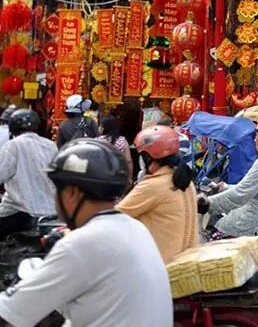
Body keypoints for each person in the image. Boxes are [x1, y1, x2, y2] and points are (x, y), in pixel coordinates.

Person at [0, 138, 171, 326]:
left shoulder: (82, 243)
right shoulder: (136, 229)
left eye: (57, 190)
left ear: (73, 192)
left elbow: (9, 312)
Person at [202, 117, 258, 241]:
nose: (255, 140)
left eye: (257, 136)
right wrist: (226, 187)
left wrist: (208, 203)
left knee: (217, 235)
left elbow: (241, 193)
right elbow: (254, 188)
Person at [118, 125, 198, 263]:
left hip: (162, 267)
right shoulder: (185, 181)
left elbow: (114, 217)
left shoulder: (153, 186)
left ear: (147, 157)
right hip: (186, 264)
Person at [0, 109, 58, 237]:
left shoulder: (13, 145)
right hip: (51, 212)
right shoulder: (51, 145)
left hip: (20, 212)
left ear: (12, 128)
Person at [98, 115, 134, 182]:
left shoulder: (98, 141)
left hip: (102, 177)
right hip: (120, 176)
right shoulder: (122, 140)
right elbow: (128, 161)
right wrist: (130, 178)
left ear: (103, 128)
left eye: (100, 126)